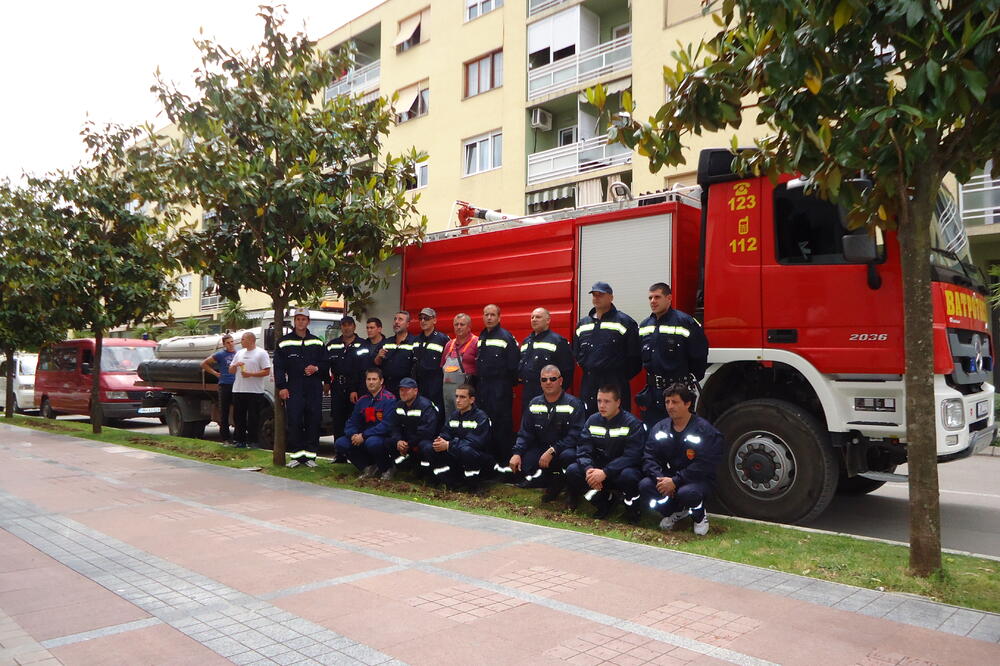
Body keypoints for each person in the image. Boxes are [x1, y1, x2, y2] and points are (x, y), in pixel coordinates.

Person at [639, 383, 723, 535]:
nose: (670, 406)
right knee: (645, 486)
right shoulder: (659, 428)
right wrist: (660, 479)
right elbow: (649, 456)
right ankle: (675, 512)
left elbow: (705, 465)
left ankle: (699, 516)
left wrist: (676, 481)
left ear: (688, 403)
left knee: (688, 494)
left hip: (697, 480)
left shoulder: (705, 431)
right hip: (667, 478)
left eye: (675, 402)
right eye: (667, 402)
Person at [566, 384, 646, 522]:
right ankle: (603, 502)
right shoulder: (592, 420)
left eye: (607, 401)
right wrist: (589, 469)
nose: (602, 405)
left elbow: (632, 456)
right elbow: (583, 449)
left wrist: (606, 472)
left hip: (619, 470)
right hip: (597, 470)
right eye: (599, 401)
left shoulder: (632, 424)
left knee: (630, 476)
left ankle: (632, 509)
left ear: (618, 402)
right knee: (573, 471)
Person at [509, 364, 586, 503]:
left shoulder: (573, 404)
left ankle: (572, 491)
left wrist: (553, 450)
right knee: (526, 462)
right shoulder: (534, 403)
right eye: (544, 380)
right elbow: (525, 432)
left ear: (560, 381)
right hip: (543, 448)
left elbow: (576, 435)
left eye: (552, 379)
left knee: (568, 457)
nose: (548, 382)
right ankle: (553, 484)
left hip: (565, 449)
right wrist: (517, 453)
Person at [637, 283, 709, 426]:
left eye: (657, 297)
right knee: (655, 434)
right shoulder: (645, 325)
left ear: (669, 298)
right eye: (650, 298)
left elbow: (699, 355)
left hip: (678, 393)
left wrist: (685, 381)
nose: (653, 301)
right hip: (653, 394)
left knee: (680, 433)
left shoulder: (685, 322)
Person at [573, 282, 641, 416]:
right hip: (589, 384)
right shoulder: (583, 324)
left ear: (611, 297)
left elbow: (635, 358)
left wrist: (617, 376)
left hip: (615, 383)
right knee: (590, 421)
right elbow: (576, 352)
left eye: (601, 295)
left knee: (617, 422)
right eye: (594, 295)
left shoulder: (625, 322)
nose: (596, 298)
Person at [273, 307, 328, 459]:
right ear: (294, 321)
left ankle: (310, 456)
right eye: (298, 319)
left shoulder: (317, 342)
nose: (300, 322)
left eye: (303, 319)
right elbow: (278, 366)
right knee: (295, 420)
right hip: (294, 386)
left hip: (313, 387)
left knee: (313, 420)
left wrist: (316, 368)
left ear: (308, 322)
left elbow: (326, 363)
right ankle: (297, 456)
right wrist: (282, 387)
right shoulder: (284, 342)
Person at [333, 368, 396, 480]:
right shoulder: (362, 400)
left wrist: (364, 435)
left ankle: (387, 468)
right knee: (341, 443)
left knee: (372, 443)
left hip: (381, 437)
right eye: (368, 379)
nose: (371, 382)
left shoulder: (389, 399)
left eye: (374, 379)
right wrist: (353, 435)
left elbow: (386, 425)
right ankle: (368, 467)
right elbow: (351, 422)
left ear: (381, 381)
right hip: (363, 437)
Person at [428, 384, 494, 490]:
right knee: (430, 447)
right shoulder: (454, 415)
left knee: (466, 450)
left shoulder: (481, 417)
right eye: (456, 396)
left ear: (472, 400)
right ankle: (448, 482)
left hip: (479, 456)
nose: (458, 400)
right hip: (457, 451)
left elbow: (474, 442)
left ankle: (472, 485)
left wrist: (449, 445)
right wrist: (440, 440)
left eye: (462, 397)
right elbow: (445, 433)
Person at [475, 304, 519, 463]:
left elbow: (514, 366)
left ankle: (503, 464)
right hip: (483, 388)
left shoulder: (506, 337)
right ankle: (489, 462)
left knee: (501, 426)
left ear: (499, 317)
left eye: (492, 315)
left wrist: (506, 387)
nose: (489, 318)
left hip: (500, 388)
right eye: (486, 314)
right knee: (485, 425)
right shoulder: (482, 336)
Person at [518, 308, 574, 417]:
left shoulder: (558, 341)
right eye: (532, 317)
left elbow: (567, 370)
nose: (534, 320)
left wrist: (555, 393)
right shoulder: (526, 342)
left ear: (548, 320)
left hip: (548, 395)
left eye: (538, 317)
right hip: (528, 393)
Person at [326, 316, 370, 439]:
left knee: (354, 420)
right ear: (341, 327)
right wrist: (326, 382)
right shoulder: (332, 345)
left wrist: (354, 389)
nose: (347, 328)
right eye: (344, 325)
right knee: (338, 420)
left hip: (355, 389)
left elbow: (363, 370)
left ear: (354, 327)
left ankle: (353, 453)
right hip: (337, 388)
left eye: (349, 325)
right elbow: (325, 365)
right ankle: (339, 453)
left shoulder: (363, 345)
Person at [389, 377, 440, 480]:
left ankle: (428, 476)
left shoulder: (426, 406)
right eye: (401, 390)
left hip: (424, 440)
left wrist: (408, 444)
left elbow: (426, 432)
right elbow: (394, 426)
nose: (403, 393)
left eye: (407, 390)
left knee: (426, 447)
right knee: (387, 442)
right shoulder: (399, 405)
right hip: (406, 441)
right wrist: (398, 440)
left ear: (415, 391)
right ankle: (402, 469)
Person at [228, 332, 271, 449]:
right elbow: (231, 370)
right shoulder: (239, 353)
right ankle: (239, 440)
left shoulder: (261, 353)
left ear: (251, 340)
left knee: (253, 417)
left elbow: (266, 371)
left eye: (243, 339)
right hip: (238, 389)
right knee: (238, 416)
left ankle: (253, 441)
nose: (241, 341)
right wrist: (235, 365)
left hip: (255, 391)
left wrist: (250, 374)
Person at [412, 307, 449, 424]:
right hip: (419, 382)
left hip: (436, 382)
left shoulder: (443, 339)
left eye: (426, 318)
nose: (423, 321)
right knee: (420, 411)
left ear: (434, 320)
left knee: (436, 411)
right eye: (421, 318)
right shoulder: (417, 339)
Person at [200, 333, 237, 444]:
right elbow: (204, 364)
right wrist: (215, 373)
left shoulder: (238, 353)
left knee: (237, 412)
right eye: (228, 343)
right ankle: (225, 438)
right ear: (224, 344)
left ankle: (237, 437)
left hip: (237, 385)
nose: (230, 344)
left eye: (232, 342)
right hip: (225, 384)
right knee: (224, 412)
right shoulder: (220, 355)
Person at [441, 313, 478, 421]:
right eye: (456, 324)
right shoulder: (449, 345)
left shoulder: (476, 342)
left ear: (469, 327)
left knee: (466, 420)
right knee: (450, 419)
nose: (458, 327)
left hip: (466, 392)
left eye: (462, 324)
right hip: (447, 392)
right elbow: (442, 366)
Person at [375, 311, 416, 396]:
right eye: (395, 319)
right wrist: (378, 356)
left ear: (408, 324)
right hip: (387, 390)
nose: (396, 322)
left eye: (400, 319)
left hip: (406, 390)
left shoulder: (414, 343)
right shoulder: (386, 343)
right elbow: (376, 363)